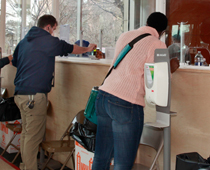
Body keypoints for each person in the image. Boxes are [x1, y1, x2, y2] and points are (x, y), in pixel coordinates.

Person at [12, 14, 97, 170]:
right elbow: (70, 48)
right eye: (54, 30)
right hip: (33, 97)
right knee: (32, 137)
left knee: (26, 134)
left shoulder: (24, 41)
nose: (53, 33)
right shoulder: (46, 40)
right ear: (48, 27)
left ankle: (25, 166)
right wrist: (87, 49)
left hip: (20, 94)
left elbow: (16, 62)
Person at [92, 12, 168, 170]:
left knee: (101, 157)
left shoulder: (125, 35)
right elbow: (156, 79)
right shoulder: (157, 44)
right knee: (123, 164)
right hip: (126, 104)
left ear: (146, 22)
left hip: (104, 96)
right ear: (162, 32)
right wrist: (171, 69)